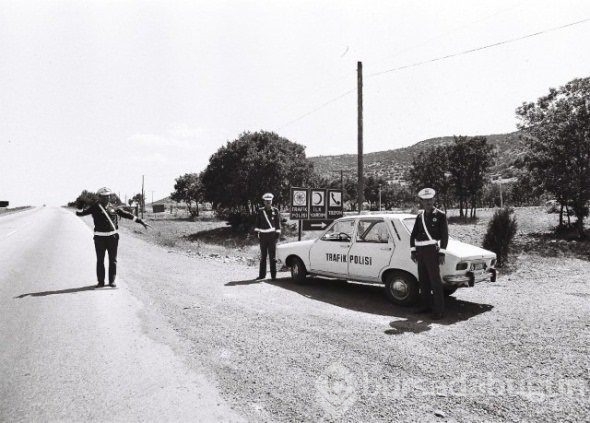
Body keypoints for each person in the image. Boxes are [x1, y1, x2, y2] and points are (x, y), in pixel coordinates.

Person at [76, 187, 148, 288]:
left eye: (108, 196)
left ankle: (111, 281)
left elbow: (127, 215)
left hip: (113, 237)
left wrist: (140, 221)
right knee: (100, 260)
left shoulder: (114, 207)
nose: (107, 198)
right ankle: (100, 282)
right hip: (99, 238)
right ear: (99, 197)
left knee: (113, 260)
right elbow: (80, 213)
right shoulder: (94, 207)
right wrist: (80, 205)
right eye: (104, 196)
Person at [409, 187, 449, 320]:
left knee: (435, 281)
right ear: (421, 201)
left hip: (432, 251)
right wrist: (413, 250)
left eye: (430, 199)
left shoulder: (440, 215)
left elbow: (444, 236)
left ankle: (439, 310)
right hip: (420, 251)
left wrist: (442, 252)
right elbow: (413, 234)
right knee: (423, 280)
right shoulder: (419, 216)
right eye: (425, 200)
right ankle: (425, 306)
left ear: (434, 200)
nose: (428, 202)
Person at [254, 193, 281, 280]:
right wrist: (256, 233)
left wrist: (277, 234)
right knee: (263, 256)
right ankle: (262, 275)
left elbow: (277, 223)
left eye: (270, 201)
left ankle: (273, 276)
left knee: (272, 257)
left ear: (272, 201)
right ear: (264, 202)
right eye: (267, 201)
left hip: (272, 237)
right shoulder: (260, 211)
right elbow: (257, 223)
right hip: (263, 237)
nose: (268, 203)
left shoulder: (275, 211)